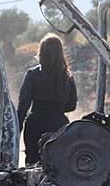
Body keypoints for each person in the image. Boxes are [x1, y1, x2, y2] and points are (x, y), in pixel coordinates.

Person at [17, 34, 77, 164]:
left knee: (32, 164)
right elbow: (72, 105)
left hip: (35, 123)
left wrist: (17, 127)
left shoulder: (32, 74)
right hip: (59, 124)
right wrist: (58, 108)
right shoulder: (68, 77)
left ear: (41, 52)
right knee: (58, 165)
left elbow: (23, 103)